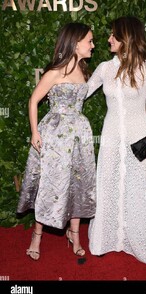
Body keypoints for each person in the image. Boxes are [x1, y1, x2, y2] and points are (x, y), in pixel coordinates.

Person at [87, 16, 146, 268]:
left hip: (138, 137)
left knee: (141, 188)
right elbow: (81, 92)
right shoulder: (105, 68)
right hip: (111, 136)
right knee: (109, 184)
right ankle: (108, 238)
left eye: (114, 35)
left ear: (127, 37)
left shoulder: (145, 68)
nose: (108, 39)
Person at [17, 22, 96, 260]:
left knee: (78, 183)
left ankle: (75, 234)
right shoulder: (54, 72)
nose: (93, 45)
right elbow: (33, 101)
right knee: (49, 184)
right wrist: (35, 132)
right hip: (54, 134)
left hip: (80, 134)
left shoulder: (84, 70)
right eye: (90, 41)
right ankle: (37, 235)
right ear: (75, 42)